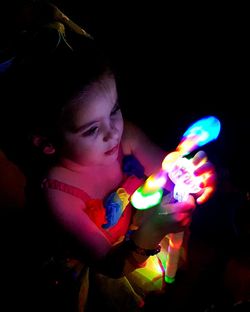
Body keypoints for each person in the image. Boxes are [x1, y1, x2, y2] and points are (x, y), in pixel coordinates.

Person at [5, 19, 217, 312]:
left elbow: (166, 167)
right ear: (48, 143)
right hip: (108, 263)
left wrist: (192, 172)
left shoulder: (125, 135)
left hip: (137, 233)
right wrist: (153, 231)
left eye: (114, 110)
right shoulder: (60, 196)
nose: (112, 132)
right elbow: (110, 265)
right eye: (92, 129)